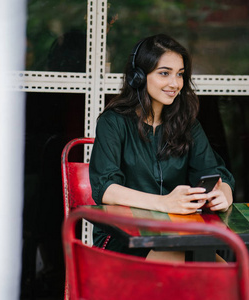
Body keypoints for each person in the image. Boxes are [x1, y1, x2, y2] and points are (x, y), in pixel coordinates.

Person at [89, 33, 235, 261]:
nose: (175, 84)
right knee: (193, 270)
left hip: (178, 235)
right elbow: (106, 188)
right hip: (124, 238)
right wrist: (165, 203)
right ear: (138, 77)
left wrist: (223, 193)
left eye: (180, 75)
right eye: (164, 73)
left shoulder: (187, 124)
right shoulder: (113, 122)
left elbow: (215, 173)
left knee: (228, 276)